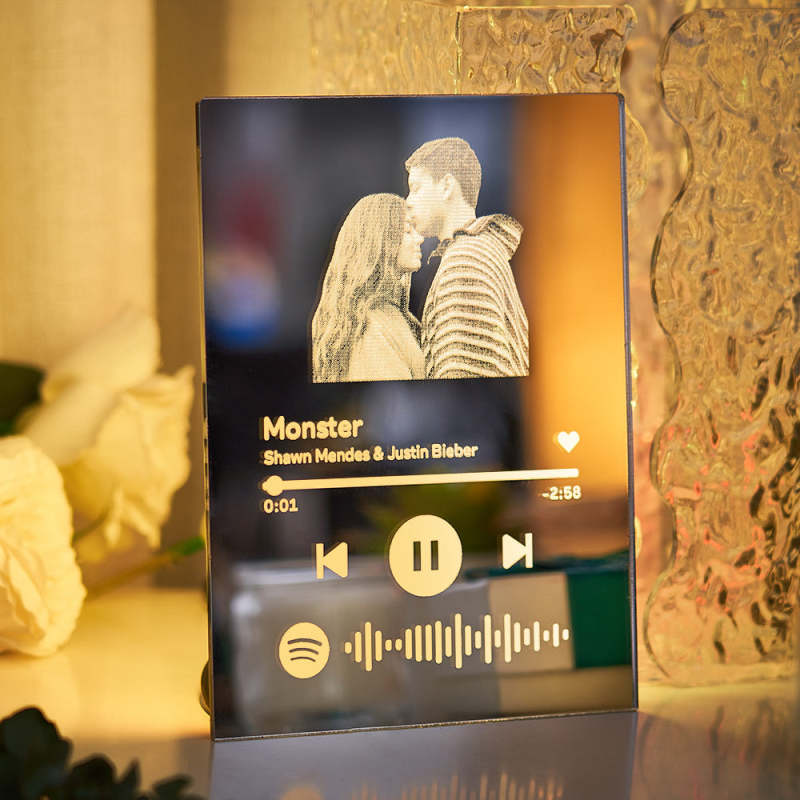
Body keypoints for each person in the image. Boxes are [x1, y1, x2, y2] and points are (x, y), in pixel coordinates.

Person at [405, 137, 529, 379]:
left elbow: (461, 383)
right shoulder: (481, 250)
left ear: (446, 186)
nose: (408, 201)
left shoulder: (464, 262)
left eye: (416, 188)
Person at [312, 193, 424, 383]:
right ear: (381, 240)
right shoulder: (370, 326)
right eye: (407, 230)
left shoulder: (388, 316)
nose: (419, 239)